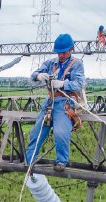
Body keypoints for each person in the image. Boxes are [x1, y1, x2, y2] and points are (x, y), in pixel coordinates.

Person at [24, 34, 85, 171]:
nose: (61, 55)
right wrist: (39, 76)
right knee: (37, 131)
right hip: (50, 101)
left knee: (60, 133)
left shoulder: (77, 64)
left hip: (65, 103)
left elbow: (79, 84)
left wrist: (63, 84)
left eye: (64, 52)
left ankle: (61, 161)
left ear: (71, 50)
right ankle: (29, 160)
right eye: (59, 53)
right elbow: (33, 76)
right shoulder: (51, 63)